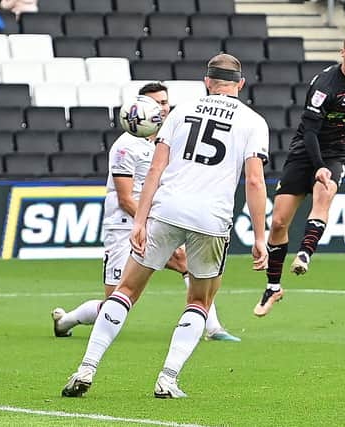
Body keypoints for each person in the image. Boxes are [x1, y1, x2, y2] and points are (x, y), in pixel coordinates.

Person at [61, 53, 269, 399]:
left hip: (167, 210)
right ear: (240, 84)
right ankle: (167, 379)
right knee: (200, 302)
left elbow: (156, 169)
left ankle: (86, 367)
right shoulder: (253, 121)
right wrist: (260, 236)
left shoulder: (181, 112)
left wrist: (139, 221)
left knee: (125, 291)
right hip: (212, 218)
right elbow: (254, 182)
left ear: (207, 82)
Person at [52, 83, 241, 343]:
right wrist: (148, 224)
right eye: (156, 103)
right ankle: (66, 321)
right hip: (125, 227)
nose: (162, 108)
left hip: (157, 223)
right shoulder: (125, 146)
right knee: (113, 300)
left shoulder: (170, 139)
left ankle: (214, 329)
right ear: (139, 107)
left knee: (187, 264)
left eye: (164, 103)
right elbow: (126, 198)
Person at [253, 31, 345, 317]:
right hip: (305, 152)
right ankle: (273, 287)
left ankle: (304, 254)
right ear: (342, 52)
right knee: (277, 223)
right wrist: (318, 165)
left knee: (325, 193)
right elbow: (311, 132)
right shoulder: (324, 85)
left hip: (336, 153)